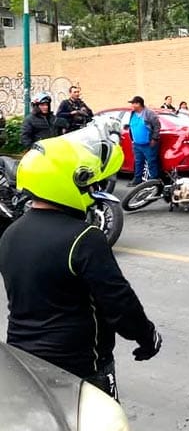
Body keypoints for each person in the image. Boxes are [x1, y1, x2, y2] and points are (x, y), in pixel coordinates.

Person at [0, 125, 162, 400]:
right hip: (79, 365)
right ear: (64, 181)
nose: (92, 189)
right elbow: (119, 301)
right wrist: (147, 337)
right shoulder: (84, 237)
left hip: (24, 361)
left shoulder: (10, 234)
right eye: (87, 182)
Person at [126, 96, 161, 186]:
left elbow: (157, 126)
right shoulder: (133, 113)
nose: (131, 105)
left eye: (133, 103)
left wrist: (154, 139)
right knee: (138, 162)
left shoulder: (149, 113)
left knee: (151, 162)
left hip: (148, 144)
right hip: (137, 144)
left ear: (138, 104)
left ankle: (153, 181)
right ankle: (137, 179)